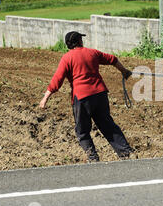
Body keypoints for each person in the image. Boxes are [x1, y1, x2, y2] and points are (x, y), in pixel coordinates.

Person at [39, 31, 134, 162]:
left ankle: (93, 157)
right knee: (107, 125)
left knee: (82, 130)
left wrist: (45, 98)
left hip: (82, 97)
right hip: (100, 94)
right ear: (79, 41)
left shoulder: (67, 58)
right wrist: (124, 71)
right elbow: (113, 59)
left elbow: (57, 79)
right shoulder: (92, 53)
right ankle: (126, 153)